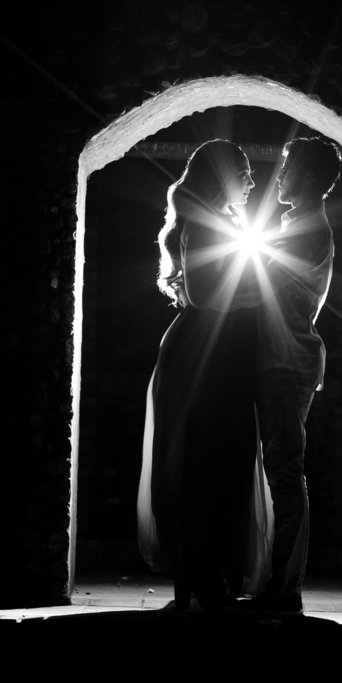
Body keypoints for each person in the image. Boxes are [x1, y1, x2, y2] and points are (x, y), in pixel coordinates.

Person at [136, 139, 269, 613]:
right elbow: (203, 292)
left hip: (221, 351)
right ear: (221, 176)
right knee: (205, 462)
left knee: (222, 460)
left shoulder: (220, 220)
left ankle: (206, 572)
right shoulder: (203, 222)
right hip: (203, 354)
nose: (252, 181)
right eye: (244, 172)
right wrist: (263, 293)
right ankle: (201, 573)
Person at [240, 135, 341, 615]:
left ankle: (285, 590)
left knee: (284, 473)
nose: (279, 177)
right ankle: (276, 583)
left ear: (310, 177)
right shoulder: (297, 226)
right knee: (280, 471)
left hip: (286, 360)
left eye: (288, 169)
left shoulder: (306, 231)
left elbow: (257, 283)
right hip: (281, 359)